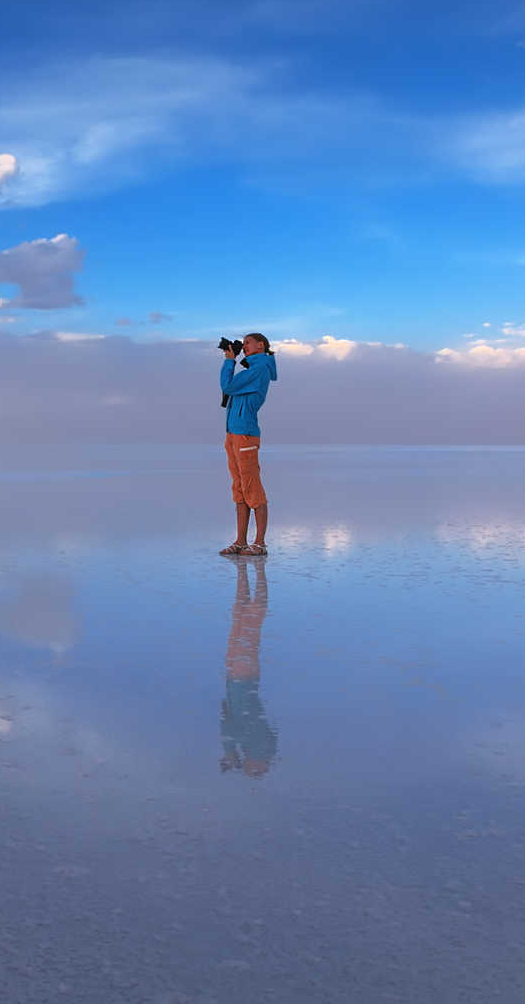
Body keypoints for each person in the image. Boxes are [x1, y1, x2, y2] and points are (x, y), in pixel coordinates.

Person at [217, 332, 276, 556]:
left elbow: (228, 386)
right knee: (240, 489)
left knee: (252, 487)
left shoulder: (259, 369)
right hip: (233, 433)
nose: (245, 346)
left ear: (261, 345)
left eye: (248, 342)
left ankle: (259, 543)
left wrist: (229, 361)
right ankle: (240, 541)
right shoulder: (250, 370)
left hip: (246, 435)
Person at [220, 557, 276, 777]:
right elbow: (229, 730)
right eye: (252, 768)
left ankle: (243, 570)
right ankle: (259, 570)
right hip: (242, 677)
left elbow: (229, 725)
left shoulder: (255, 745)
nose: (247, 767)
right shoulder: (255, 744)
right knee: (250, 622)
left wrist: (232, 756)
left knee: (240, 615)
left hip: (235, 678)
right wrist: (232, 756)